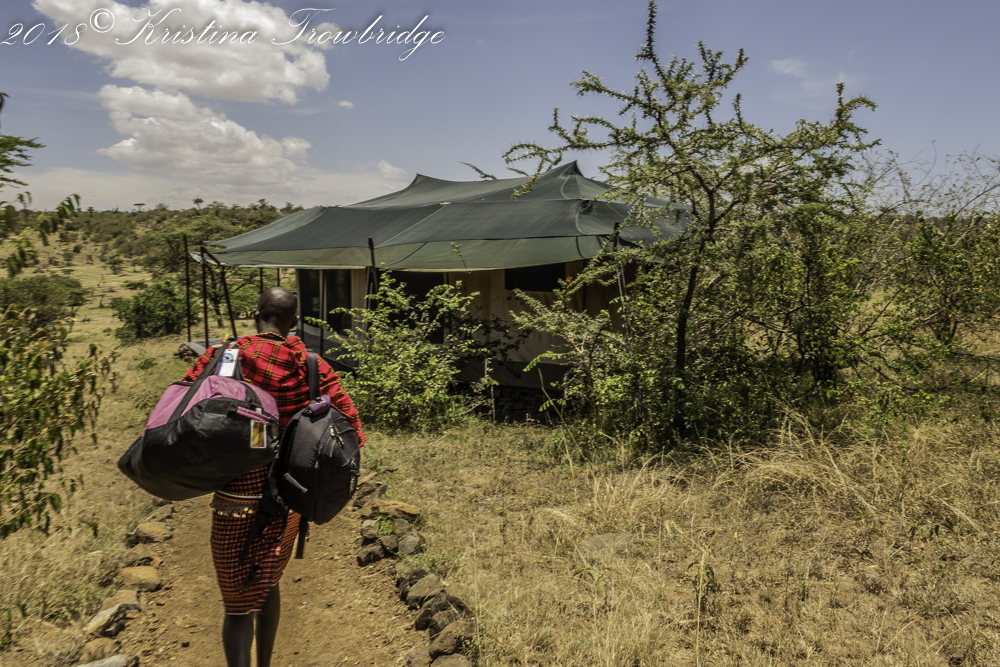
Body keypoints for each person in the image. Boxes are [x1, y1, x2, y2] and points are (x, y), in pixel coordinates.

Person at [181, 287, 365, 667]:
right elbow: (352, 429)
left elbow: (183, 406)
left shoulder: (224, 356)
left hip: (234, 493)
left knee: (237, 604)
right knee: (267, 581)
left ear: (255, 314)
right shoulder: (312, 365)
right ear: (294, 321)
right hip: (288, 492)